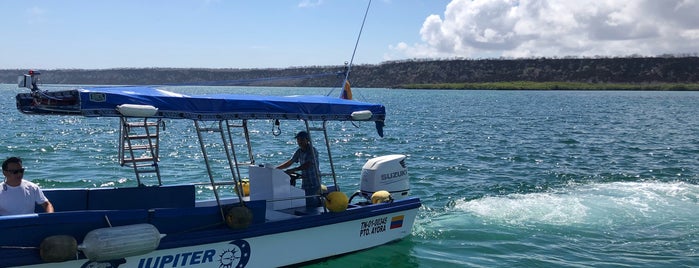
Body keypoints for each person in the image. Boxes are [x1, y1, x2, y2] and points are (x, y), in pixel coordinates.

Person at [276, 131, 321, 208]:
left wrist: (293, 170)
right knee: (304, 199)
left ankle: (319, 205)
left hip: (314, 180)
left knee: (310, 201)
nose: (299, 142)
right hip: (305, 181)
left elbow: (308, 165)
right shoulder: (299, 151)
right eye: (298, 140)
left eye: (302, 140)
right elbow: (290, 162)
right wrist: (276, 168)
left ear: (307, 140)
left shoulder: (312, 151)